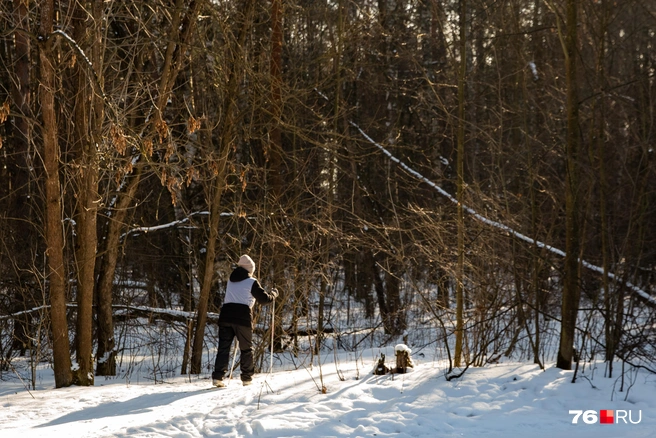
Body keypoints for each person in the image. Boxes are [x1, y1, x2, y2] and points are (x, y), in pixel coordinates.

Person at [212, 254, 277, 387]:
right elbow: (264, 300)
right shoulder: (252, 282)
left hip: (225, 315)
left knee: (223, 348)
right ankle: (246, 378)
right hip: (242, 317)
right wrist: (274, 294)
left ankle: (218, 377)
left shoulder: (231, 279)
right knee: (246, 348)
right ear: (250, 269)